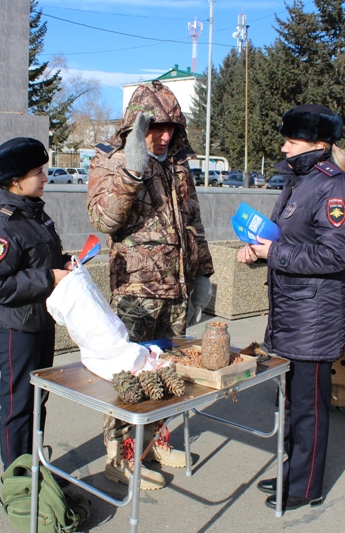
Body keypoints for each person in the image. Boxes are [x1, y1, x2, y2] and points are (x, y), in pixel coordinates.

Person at [87, 80, 214, 490]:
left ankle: (154, 443)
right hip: (136, 294)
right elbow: (105, 221)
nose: (163, 136)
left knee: (168, 376)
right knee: (129, 379)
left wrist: (204, 276)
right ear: (135, 125)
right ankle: (120, 455)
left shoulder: (177, 163)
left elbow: (192, 220)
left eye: (171, 128)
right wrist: (132, 170)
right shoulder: (110, 160)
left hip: (176, 290)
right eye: (155, 127)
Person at [236, 104, 345, 511]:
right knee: (292, 402)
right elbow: (288, 239)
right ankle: (294, 470)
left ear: (318, 144)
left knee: (309, 407)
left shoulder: (332, 186)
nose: (284, 147)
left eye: (292, 140)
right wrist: (261, 251)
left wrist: (277, 252)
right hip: (293, 311)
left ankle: (306, 485)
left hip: (313, 316)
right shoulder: (299, 180)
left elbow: (335, 255)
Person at [0, 137, 72, 470]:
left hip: (41, 321)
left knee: (38, 399)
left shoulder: (31, 212)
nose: (45, 178)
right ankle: (18, 479)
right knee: (18, 405)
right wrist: (50, 278)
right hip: (18, 328)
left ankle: (37, 468)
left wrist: (67, 264)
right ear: (15, 180)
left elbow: (40, 259)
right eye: (38, 172)